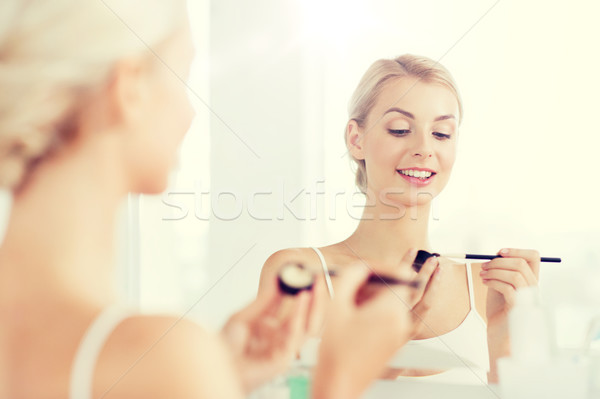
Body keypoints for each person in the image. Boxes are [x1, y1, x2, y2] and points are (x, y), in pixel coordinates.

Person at [0, 1, 417, 398]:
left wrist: (221, 381)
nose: (190, 114)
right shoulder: (165, 359)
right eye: (182, 78)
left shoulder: (162, 365)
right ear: (129, 89)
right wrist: (338, 382)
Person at [259, 54, 541, 384]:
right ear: (356, 139)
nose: (424, 148)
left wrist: (505, 342)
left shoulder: (488, 286)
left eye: (441, 134)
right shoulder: (300, 274)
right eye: (400, 129)